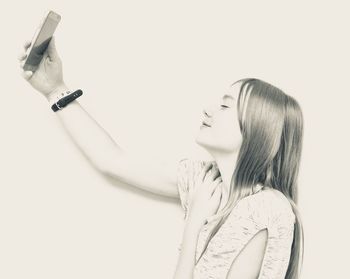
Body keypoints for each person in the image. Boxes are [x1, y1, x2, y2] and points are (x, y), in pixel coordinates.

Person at [18, 36, 304, 279]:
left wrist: (194, 222)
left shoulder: (267, 209)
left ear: (256, 129)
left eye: (225, 106)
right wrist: (55, 89)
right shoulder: (204, 182)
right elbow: (111, 160)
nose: (207, 110)